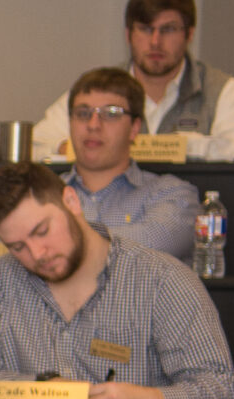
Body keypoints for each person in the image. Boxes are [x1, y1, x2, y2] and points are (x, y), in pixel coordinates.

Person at [0, 161, 234, 399]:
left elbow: (225, 397)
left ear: (71, 201)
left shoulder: (162, 280)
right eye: (17, 247)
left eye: (42, 231)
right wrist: (47, 390)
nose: (37, 254)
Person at [31, 0, 234, 162]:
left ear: (189, 34)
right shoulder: (99, 89)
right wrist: (75, 146)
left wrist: (182, 147)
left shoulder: (224, 90)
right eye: (145, 29)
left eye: (168, 29)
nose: (155, 42)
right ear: (128, 35)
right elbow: (36, 144)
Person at [40, 68, 199, 259]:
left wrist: (49, 240)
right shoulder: (41, 196)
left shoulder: (172, 194)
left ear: (134, 128)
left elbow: (152, 246)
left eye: (111, 114)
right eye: (83, 113)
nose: (93, 125)